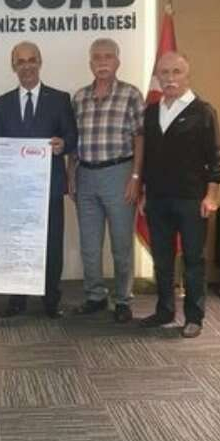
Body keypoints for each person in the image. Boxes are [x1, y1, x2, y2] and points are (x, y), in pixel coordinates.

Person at [139, 50, 220, 338]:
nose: (170, 78)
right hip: (158, 198)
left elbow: (216, 157)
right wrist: (144, 192)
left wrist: (211, 196)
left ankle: (194, 317)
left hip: (192, 199)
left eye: (176, 72)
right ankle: (164, 310)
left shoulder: (203, 111)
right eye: (164, 73)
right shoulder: (152, 111)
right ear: (158, 76)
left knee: (193, 261)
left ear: (187, 75)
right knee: (162, 259)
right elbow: (149, 157)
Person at [0, 41, 77, 318]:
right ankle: (17, 299)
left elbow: (72, 137)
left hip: (49, 186)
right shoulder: (1, 103)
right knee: (17, 244)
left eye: (31, 60)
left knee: (51, 244)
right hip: (15, 190)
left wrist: (63, 144)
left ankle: (51, 299)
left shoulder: (60, 99)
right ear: (13, 66)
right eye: (21, 61)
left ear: (40, 62)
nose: (26, 66)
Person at [70, 38, 144, 323]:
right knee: (89, 245)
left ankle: (123, 299)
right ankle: (95, 296)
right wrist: (71, 176)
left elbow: (140, 138)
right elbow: (73, 142)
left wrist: (136, 177)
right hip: (85, 175)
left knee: (121, 244)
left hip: (119, 174)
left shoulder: (131, 94)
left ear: (117, 62)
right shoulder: (79, 97)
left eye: (108, 57)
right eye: (97, 57)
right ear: (90, 63)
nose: (102, 62)